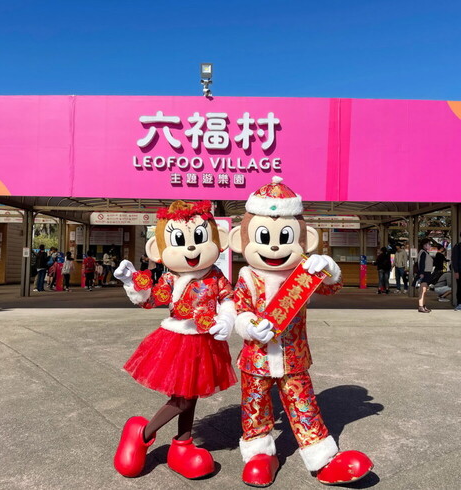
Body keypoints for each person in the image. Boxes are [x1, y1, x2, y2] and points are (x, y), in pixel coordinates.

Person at [228, 177, 372, 487]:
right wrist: (248, 324)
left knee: (303, 402)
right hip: (255, 358)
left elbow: (332, 289)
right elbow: (239, 309)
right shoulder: (246, 277)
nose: (275, 246)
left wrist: (329, 268)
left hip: (293, 356)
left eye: (285, 237)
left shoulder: (303, 274)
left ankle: (322, 458)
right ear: (242, 241)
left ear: (304, 239)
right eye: (264, 237)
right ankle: (259, 454)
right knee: (255, 406)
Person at [113, 200, 237, 480]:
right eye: (180, 241)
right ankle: (142, 433)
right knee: (181, 398)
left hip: (205, 341)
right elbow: (153, 299)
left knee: (190, 396)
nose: (191, 248)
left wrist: (227, 320)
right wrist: (133, 283)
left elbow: (229, 299)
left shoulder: (215, 275)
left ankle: (182, 443)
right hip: (177, 340)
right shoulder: (170, 277)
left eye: (199, 239)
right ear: (160, 251)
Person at [417, 238, 434, 313]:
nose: (430, 245)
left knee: (424, 290)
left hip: (426, 272)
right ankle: (421, 306)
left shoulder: (425, 252)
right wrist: (421, 273)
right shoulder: (423, 253)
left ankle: (423, 306)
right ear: (424, 245)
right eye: (429, 244)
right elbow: (422, 264)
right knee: (423, 290)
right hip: (424, 273)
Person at [452, 232, 461, 311]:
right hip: (460, 271)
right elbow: (454, 260)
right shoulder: (457, 247)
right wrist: (456, 271)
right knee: (460, 288)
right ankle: (459, 303)